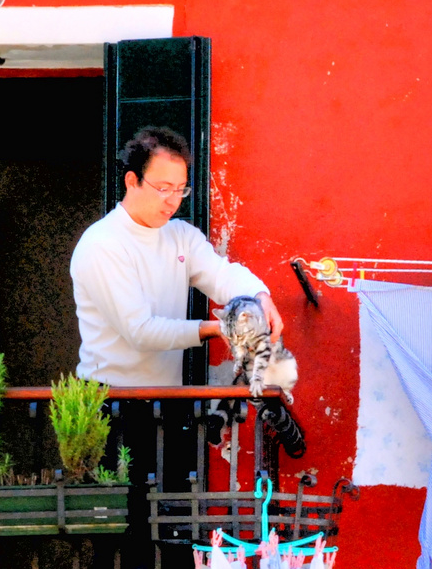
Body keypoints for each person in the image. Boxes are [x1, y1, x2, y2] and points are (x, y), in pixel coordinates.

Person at [70, 126, 279, 387]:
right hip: (107, 400)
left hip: (167, 399)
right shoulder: (102, 243)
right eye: (163, 188)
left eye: (180, 189)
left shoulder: (182, 236)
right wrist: (215, 328)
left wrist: (260, 297)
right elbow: (140, 332)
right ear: (132, 181)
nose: (173, 200)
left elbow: (222, 276)